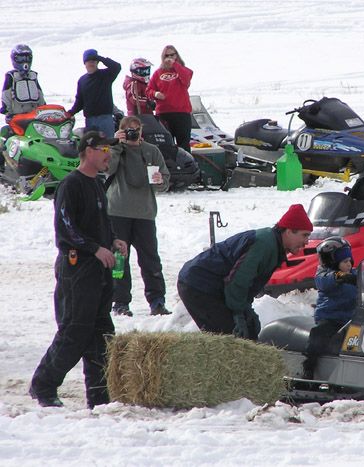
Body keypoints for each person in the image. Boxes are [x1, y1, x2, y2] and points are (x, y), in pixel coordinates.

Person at [29, 131, 127, 409]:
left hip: (99, 270)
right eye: (106, 148)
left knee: (102, 332)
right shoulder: (71, 184)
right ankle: (43, 385)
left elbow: (100, 222)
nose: (109, 155)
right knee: (75, 330)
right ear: (90, 150)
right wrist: (95, 248)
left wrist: (113, 240)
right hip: (77, 268)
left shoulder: (96, 184)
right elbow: (66, 228)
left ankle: (99, 395)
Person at [177, 204, 313, 340]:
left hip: (212, 285)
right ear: (289, 231)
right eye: (304, 235)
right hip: (198, 284)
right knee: (231, 338)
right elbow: (238, 281)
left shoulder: (274, 246)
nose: (306, 241)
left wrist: (245, 310)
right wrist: (238, 313)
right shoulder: (264, 244)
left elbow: (248, 284)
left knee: (250, 330)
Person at [106, 115, 171, 317]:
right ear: (122, 131)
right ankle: (120, 302)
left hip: (144, 213)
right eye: (129, 130)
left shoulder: (151, 151)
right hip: (118, 211)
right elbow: (107, 169)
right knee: (119, 261)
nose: (134, 134)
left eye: (137, 130)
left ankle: (157, 301)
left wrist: (160, 181)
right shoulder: (115, 149)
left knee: (150, 259)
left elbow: (165, 182)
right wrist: (116, 144)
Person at [302, 236, 358, 379]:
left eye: (350, 261)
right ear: (333, 263)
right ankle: (309, 367)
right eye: (345, 261)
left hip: (352, 317)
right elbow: (324, 282)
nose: (349, 265)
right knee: (318, 335)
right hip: (331, 317)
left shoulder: (353, 274)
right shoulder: (324, 275)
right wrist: (339, 277)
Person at [146, 45, 193, 153]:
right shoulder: (158, 73)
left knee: (183, 143)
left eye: (172, 55)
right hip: (164, 112)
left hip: (182, 112)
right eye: (167, 55)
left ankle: (186, 167)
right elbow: (148, 90)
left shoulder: (185, 70)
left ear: (177, 55)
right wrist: (155, 93)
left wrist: (175, 64)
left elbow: (186, 81)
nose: (169, 57)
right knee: (166, 144)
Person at [68, 49, 121, 137]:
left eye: (94, 60)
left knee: (107, 146)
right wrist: (70, 113)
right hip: (90, 120)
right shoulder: (82, 80)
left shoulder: (106, 75)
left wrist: (100, 58)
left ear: (97, 62)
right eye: (89, 61)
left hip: (105, 119)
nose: (91, 63)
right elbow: (79, 102)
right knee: (93, 146)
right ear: (85, 63)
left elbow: (117, 67)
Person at [1, 44, 45, 122]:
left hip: (35, 115)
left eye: (27, 58)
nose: (25, 62)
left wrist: (44, 108)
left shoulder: (33, 76)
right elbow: (6, 94)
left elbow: (39, 93)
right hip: (18, 117)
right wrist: (7, 110)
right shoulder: (11, 76)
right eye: (21, 59)